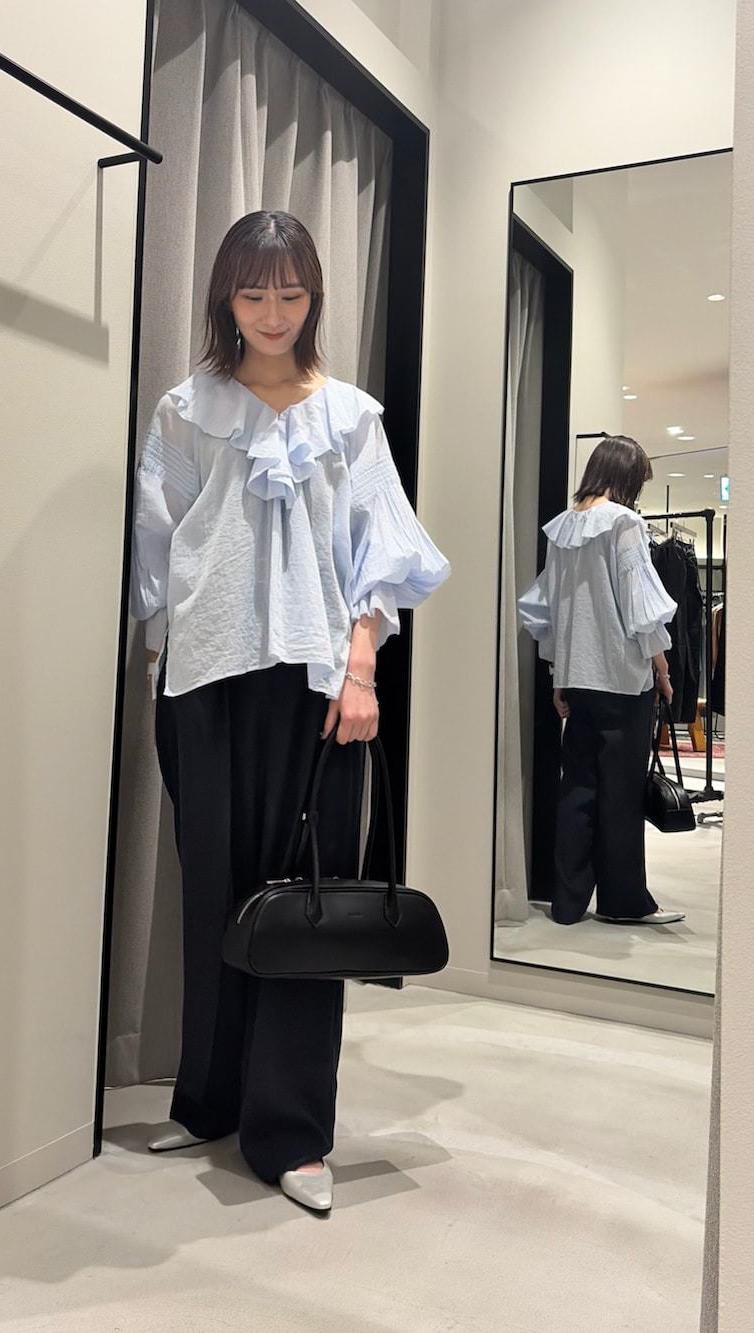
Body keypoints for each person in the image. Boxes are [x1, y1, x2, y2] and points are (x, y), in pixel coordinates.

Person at [130, 211, 450, 1212]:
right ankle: (211, 1098)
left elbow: (380, 552)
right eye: (252, 292)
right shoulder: (186, 408)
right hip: (205, 679)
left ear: (314, 297)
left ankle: (294, 1131)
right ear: (225, 297)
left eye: (291, 293)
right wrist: (165, 661)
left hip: (317, 687)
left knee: (307, 897)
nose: (272, 312)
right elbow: (156, 549)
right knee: (214, 893)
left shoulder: (349, 418)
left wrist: (361, 670)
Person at [518, 435, 685, 927]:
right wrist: (662, 668)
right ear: (625, 476)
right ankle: (624, 901)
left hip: (577, 678)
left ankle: (568, 903)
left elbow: (549, 609)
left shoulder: (563, 527)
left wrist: (558, 675)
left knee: (578, 789)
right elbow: (641, 608)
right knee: (621, 795)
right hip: (621, 678)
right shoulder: (624, 523)